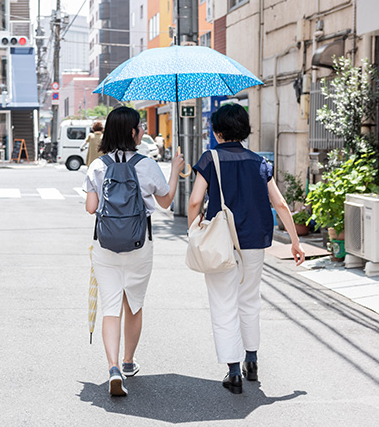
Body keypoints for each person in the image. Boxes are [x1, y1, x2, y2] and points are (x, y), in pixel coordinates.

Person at [187, 103, 305, 395]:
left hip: (220, 243)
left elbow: (194, 202)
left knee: (223, 303)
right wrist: (295, 241)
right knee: (249, 301)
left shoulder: (210, 159)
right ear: (244, 130)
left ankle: (232, 371)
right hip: (254, 241)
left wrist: (194, 231)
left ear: (217, 132)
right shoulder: (259, 162)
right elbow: (279, 203)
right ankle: (251, 360)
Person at [83, 106, 184, 396]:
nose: (142, 131)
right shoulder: (147, 164)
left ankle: (113, 367)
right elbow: (165, 202)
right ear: (131, 132)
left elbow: (91, 208)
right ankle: (128, 361)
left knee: (111, 307)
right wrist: (175, 171)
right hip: (141, 243)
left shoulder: (98, 165)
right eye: (139, 127)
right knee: (134, 304)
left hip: (105, 246)